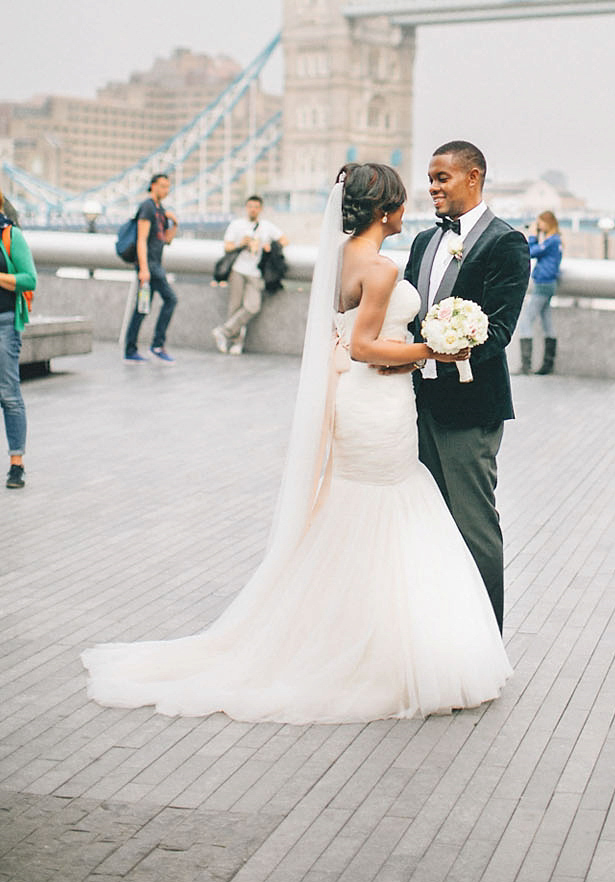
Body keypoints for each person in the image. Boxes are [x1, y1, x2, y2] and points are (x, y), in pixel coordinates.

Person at [83, 163, 511, 722]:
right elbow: (363, 346)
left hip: (357, 402)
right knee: (390, 507)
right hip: (377, 403)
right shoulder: (380, 269)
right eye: (402, 201)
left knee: (359, 512)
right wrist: (433, 352)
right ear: (385, 210)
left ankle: (349, 635)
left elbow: (344, 337)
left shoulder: (338, 260)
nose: (410, 209)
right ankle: (381, 649)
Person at [404, 141, 530, 631]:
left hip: (470, 408)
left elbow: (499, 331)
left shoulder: (506, 242)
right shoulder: (422, 242)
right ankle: (439, 631)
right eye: (430, 179)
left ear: (473, 177)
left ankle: (484, 640)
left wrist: (450, 347)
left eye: (442, 178)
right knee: (428, 523)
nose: (432, 187)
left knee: (474, 526)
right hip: (418, 405)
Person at [213, 195, 288, 355]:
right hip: (238, 269)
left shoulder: (266, 226)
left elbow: (284, 240)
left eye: (256, 207)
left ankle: (224, 331)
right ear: (246, 208)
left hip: (255, 271)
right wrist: (242, 244)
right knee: (234, 306)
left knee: (253, 306)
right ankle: (235, 343)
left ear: (260, 209)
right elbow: (227, 246)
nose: (253, 209)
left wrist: (271, 245)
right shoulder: (237, 225)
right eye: (250, 206)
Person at [0, 190, 36, 489]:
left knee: (8, 393)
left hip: (5, 323)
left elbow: (29, 279)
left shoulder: (12, 236)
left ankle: (16, 464)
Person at [123, 173, 178, 364]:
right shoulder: (147, 207)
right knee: (171, 299)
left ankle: (131, 350)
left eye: (167, 186)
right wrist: (144, 269)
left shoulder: (160, 209)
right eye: (162, 186)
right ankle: (156, 345)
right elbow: (141, 240)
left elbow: (167, 240)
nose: (165, 190)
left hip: (155, 265)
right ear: (153, 186)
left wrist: (175, 223)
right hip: (150, 268)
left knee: (142, 308)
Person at [517, 210, 563, 375]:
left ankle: (526, 365)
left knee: (526, 321)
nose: (538, 226)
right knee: (547, 322)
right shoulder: (556, 240)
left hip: (543, 284)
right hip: (549, 284)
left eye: (540, 222)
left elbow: (530, 252)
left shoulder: (552, 241)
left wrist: (532, 236)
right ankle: (547, 365)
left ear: (547, 223)